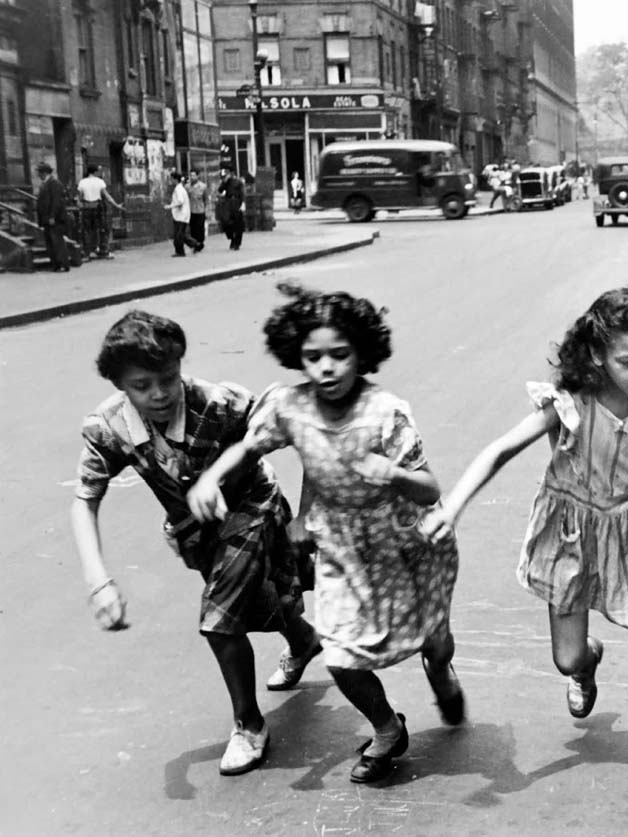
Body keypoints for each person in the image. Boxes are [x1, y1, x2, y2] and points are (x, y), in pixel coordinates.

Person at [419, 285, 628, 781]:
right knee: (567, 658)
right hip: (571, 537)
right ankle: (586, 662)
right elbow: (499, 451)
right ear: (599, 357)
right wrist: (452, 508)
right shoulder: (569, 405)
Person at [188, 283, 465, 785]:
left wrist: (392, 474)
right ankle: (387, 730)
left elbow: (429, 488)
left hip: (405, 541)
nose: (327, 368)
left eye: (340, 354)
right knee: (339, 657)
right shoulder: (289, 406)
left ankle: (441, 672)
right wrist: (211, 478)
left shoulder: (385, 412)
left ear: (362, 352)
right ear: (296, 356)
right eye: (313, 357)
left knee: (434, 639)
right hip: (340, 547)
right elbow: (249, 448)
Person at [70, 310, 321, 777]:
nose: (159, 394)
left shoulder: (224, 404)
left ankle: (249, 725)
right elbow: (85, 500)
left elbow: (305, 438)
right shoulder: (108, 427)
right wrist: (98, 581)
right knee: (259, 600)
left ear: (180, 366)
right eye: (141, 385)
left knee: (220, 620)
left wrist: (306, 515)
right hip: (197, 530)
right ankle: (303, 640)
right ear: (120, 386)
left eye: (168, 378)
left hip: (253, 507)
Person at [76, 164, 123, 260]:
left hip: (86, 208)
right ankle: (103, 251)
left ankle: (88, 252)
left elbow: (79, 198)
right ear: (95, 172)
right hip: (98, 207)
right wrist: (116, 205)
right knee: (103, 229)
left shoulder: (82, 182)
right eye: (98, 170)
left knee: (87, 230)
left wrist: (80, 205)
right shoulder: (100, 182)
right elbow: (107, 196)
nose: (100, 172)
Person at [35, 162, 71, 272]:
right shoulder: (44, 184)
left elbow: (56, 202)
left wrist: (52, 216)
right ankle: (56, 264)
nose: (38, 175)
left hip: (55, 219)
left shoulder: (54, 183)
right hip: (46, 219)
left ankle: (63, 264)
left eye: (40, 173)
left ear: (45, 173)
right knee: (50, 242)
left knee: (57, 241)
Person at [164, 171, 201, 257]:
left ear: (175, 179)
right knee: (182, 235)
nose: (170, 181)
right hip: (181, 215)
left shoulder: (178, 189)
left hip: (181, 216)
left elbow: (180, 201)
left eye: (171, 179)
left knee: (178, 236)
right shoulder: (179, 188)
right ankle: (195, 244)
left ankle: (181, 251)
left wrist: (170, 206)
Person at [217, 167, 246, 251]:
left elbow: (242, 193)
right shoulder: (226, 182)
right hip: (228, 203)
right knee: (226, 223)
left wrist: (243, 203)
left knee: (238, 224)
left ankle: (237, 243)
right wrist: (224, 182)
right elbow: (220, 190)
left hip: (237, 202)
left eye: (229, 173)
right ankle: (232, 238)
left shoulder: (238, 182)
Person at [187, 170, 209, 250]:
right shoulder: (187, 187)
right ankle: (195, 243)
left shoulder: (203, 186)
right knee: (193, 228)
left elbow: (206, 199)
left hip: (200, 210)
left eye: (194, 175)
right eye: (191, 175)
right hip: (191, 210)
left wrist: (206, 209)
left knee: (200, 228)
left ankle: (200, 242)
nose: (192, 177)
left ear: (197, 176)